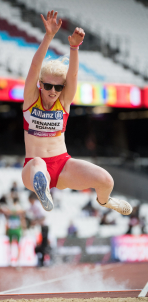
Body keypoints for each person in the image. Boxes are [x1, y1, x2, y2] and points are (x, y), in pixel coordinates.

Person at [22, 10, 132, 216]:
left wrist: (74, 47)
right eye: (47, 86)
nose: (53, 91)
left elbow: (72, 76)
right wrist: (49, 36)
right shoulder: (30, 99)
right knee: (38, 164)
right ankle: (43, 190)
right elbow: (35, 66)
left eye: (58, 87)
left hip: (63, 164)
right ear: (40, 85)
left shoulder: (63, 101)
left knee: (106, 179)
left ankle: (105, 201)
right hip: (34, 168)